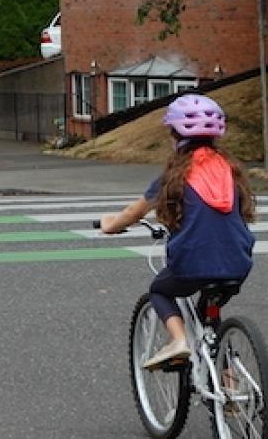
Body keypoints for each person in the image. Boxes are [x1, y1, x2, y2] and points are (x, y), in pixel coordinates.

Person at [99, 93, 256, 369]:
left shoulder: (174, 176)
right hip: (238, 263)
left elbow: (133, 213)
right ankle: (229, 381)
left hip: (192, 264)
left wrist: (109, 225)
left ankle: (178, 340)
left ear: (175, 135)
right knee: (210, 313)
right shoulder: (230, 171)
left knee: (160, 290)